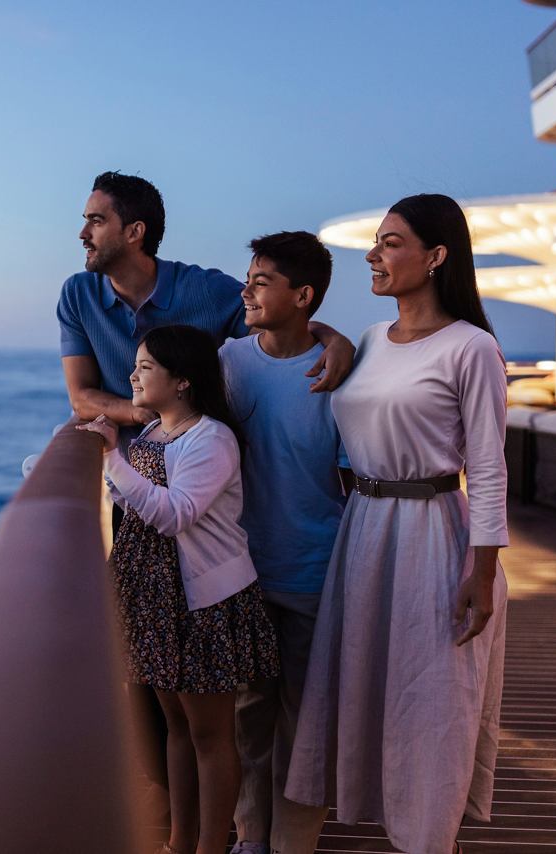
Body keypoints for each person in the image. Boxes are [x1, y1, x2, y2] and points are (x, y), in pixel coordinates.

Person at [284, 194, 509, 854]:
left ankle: (429, 840)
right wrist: (326, 333)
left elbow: (490, 470)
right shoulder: (371, 340)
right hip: (365, 533)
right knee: (371, 689)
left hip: (434, 533)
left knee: (433, 700)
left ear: (435, 257)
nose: (372, 255)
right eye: (375, 242)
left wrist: (483, 568)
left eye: (390, 243)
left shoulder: (473, 349)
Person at [77, 324, 279, 854]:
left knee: (211, 735)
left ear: (183, 381)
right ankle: (177, 842)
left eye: (145, 367)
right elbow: (131, 502)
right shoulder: (154, 433)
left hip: (200, 602)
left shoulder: (210, 438)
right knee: (176, 728)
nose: (132, 375)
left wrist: (111, 455)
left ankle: (211, 846)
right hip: (153, 599)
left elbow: (174, 515)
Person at [57, 171, 356, 451]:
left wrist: (332, 338)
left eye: (96, 221)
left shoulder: (206, 289)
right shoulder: (78, 295)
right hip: (130, 483)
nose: (83, 233)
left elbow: (279, 325)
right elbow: (81, 397)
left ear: (135, 232)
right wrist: (141, 413)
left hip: (204, 471)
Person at [218, 232, 346, 854]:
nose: (247, 290)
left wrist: (333, 338)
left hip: (315, 569)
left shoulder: (337, 372)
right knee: (248, 716)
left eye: (262, 281)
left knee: (306, 720)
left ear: (304, 296)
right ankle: (249, 839)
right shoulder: (229, 362)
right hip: (241, 572)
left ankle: (293, 843)